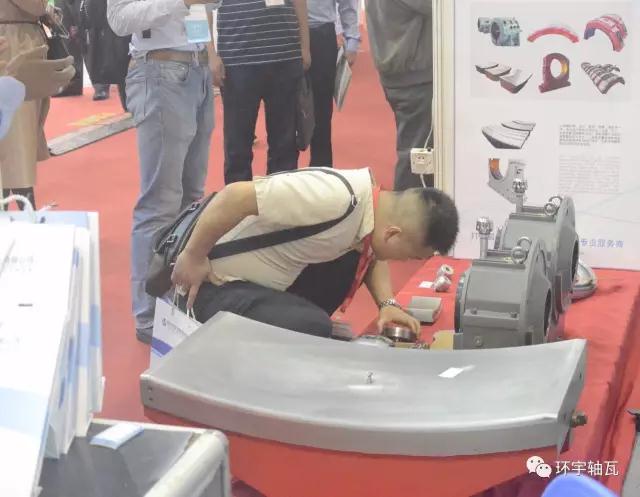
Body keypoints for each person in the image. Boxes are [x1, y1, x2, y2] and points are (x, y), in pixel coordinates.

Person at [171, 167, 458, 338]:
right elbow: (235, 196)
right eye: (409, 255)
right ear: (393, 234)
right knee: (313, 325)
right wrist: (193, 256)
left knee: (350, 263)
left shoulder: (372, 208)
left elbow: (372, 253)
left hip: (257, 282)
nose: (403, 261)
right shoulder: (334, 198)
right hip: (208, 285)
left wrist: (387, 303)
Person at [107, 0, 217, 343]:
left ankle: (178, 305)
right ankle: (149, 314)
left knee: (192, 199)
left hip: (195, 71)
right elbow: (119, 19)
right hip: (159, 71)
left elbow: (195, 11)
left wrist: (207, 52)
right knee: (160, 202)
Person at [212, 0, 311, 185]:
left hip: (285, 55)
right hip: (237, 59)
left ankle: (280, 200)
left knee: (285, 146)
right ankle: (239, 201)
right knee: (237, 146)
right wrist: (210, 54)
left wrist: (305, 45)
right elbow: (200, 6)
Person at [366, 0, 433, 191]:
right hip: (413, 76)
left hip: (403, 72)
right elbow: (441, 7)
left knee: (415, 151)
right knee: (416, 156)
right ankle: (405, 206)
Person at [0, 0, 60, 208]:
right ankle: (24, 212)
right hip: (13, 46)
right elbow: (35, 5)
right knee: (17, 138)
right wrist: (46, 9)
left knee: (16, 137)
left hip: (18, 42)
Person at [306, 0, 359, 167]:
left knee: (321, 111)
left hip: (321, 34)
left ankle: (321, 169)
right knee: (284, 111)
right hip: (286, 34)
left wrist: (352, 40)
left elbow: (347, 4)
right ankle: (283, 174)